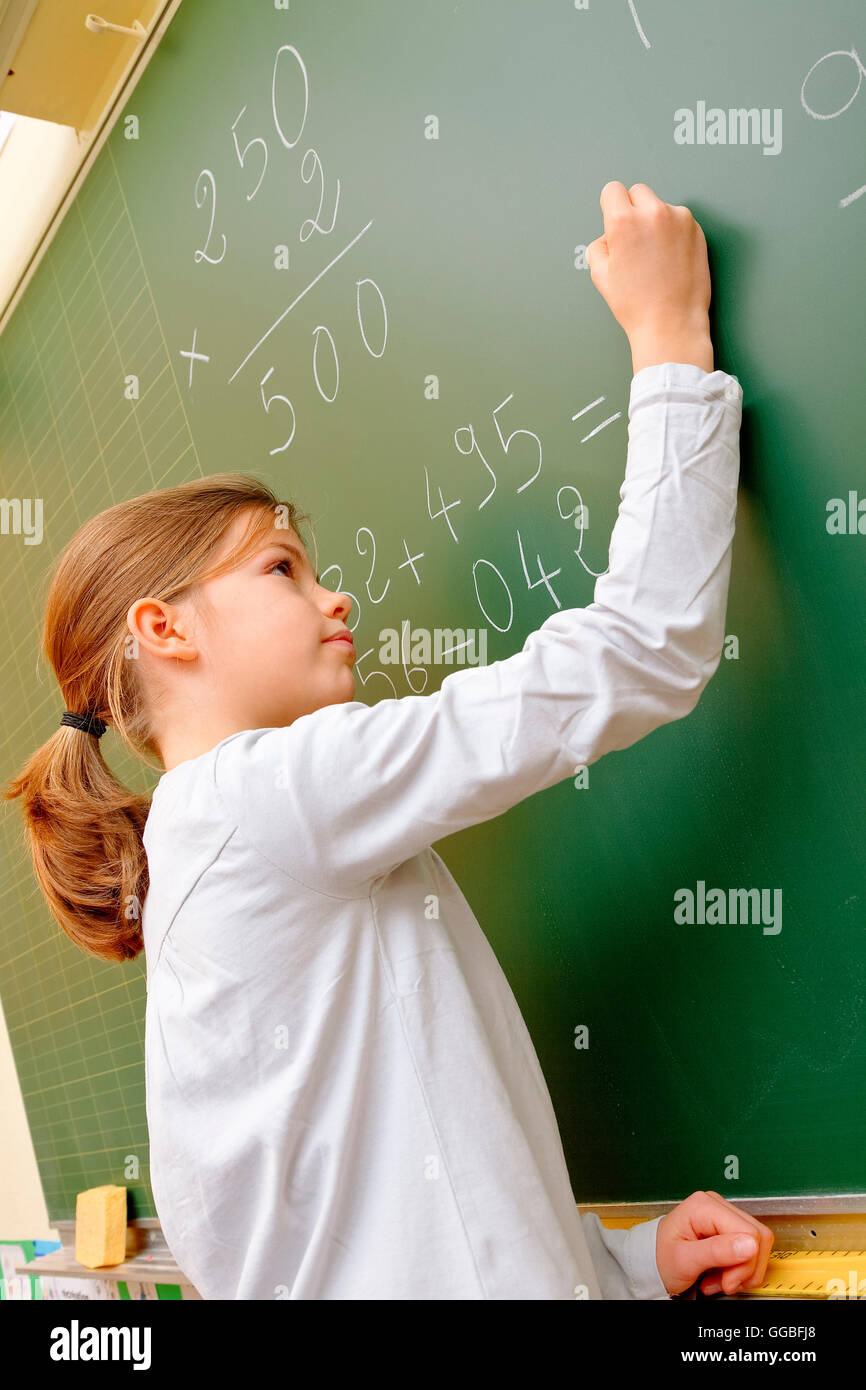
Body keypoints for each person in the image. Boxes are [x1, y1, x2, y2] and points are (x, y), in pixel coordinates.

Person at [5, 180, 773, 1299]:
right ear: (163, 630)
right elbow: (643, 647)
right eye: (280, 567)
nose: (335, 596)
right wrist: (667, 342)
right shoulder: (260, 800)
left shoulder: (210, 845)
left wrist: (616, 1262)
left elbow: (397, 1221)